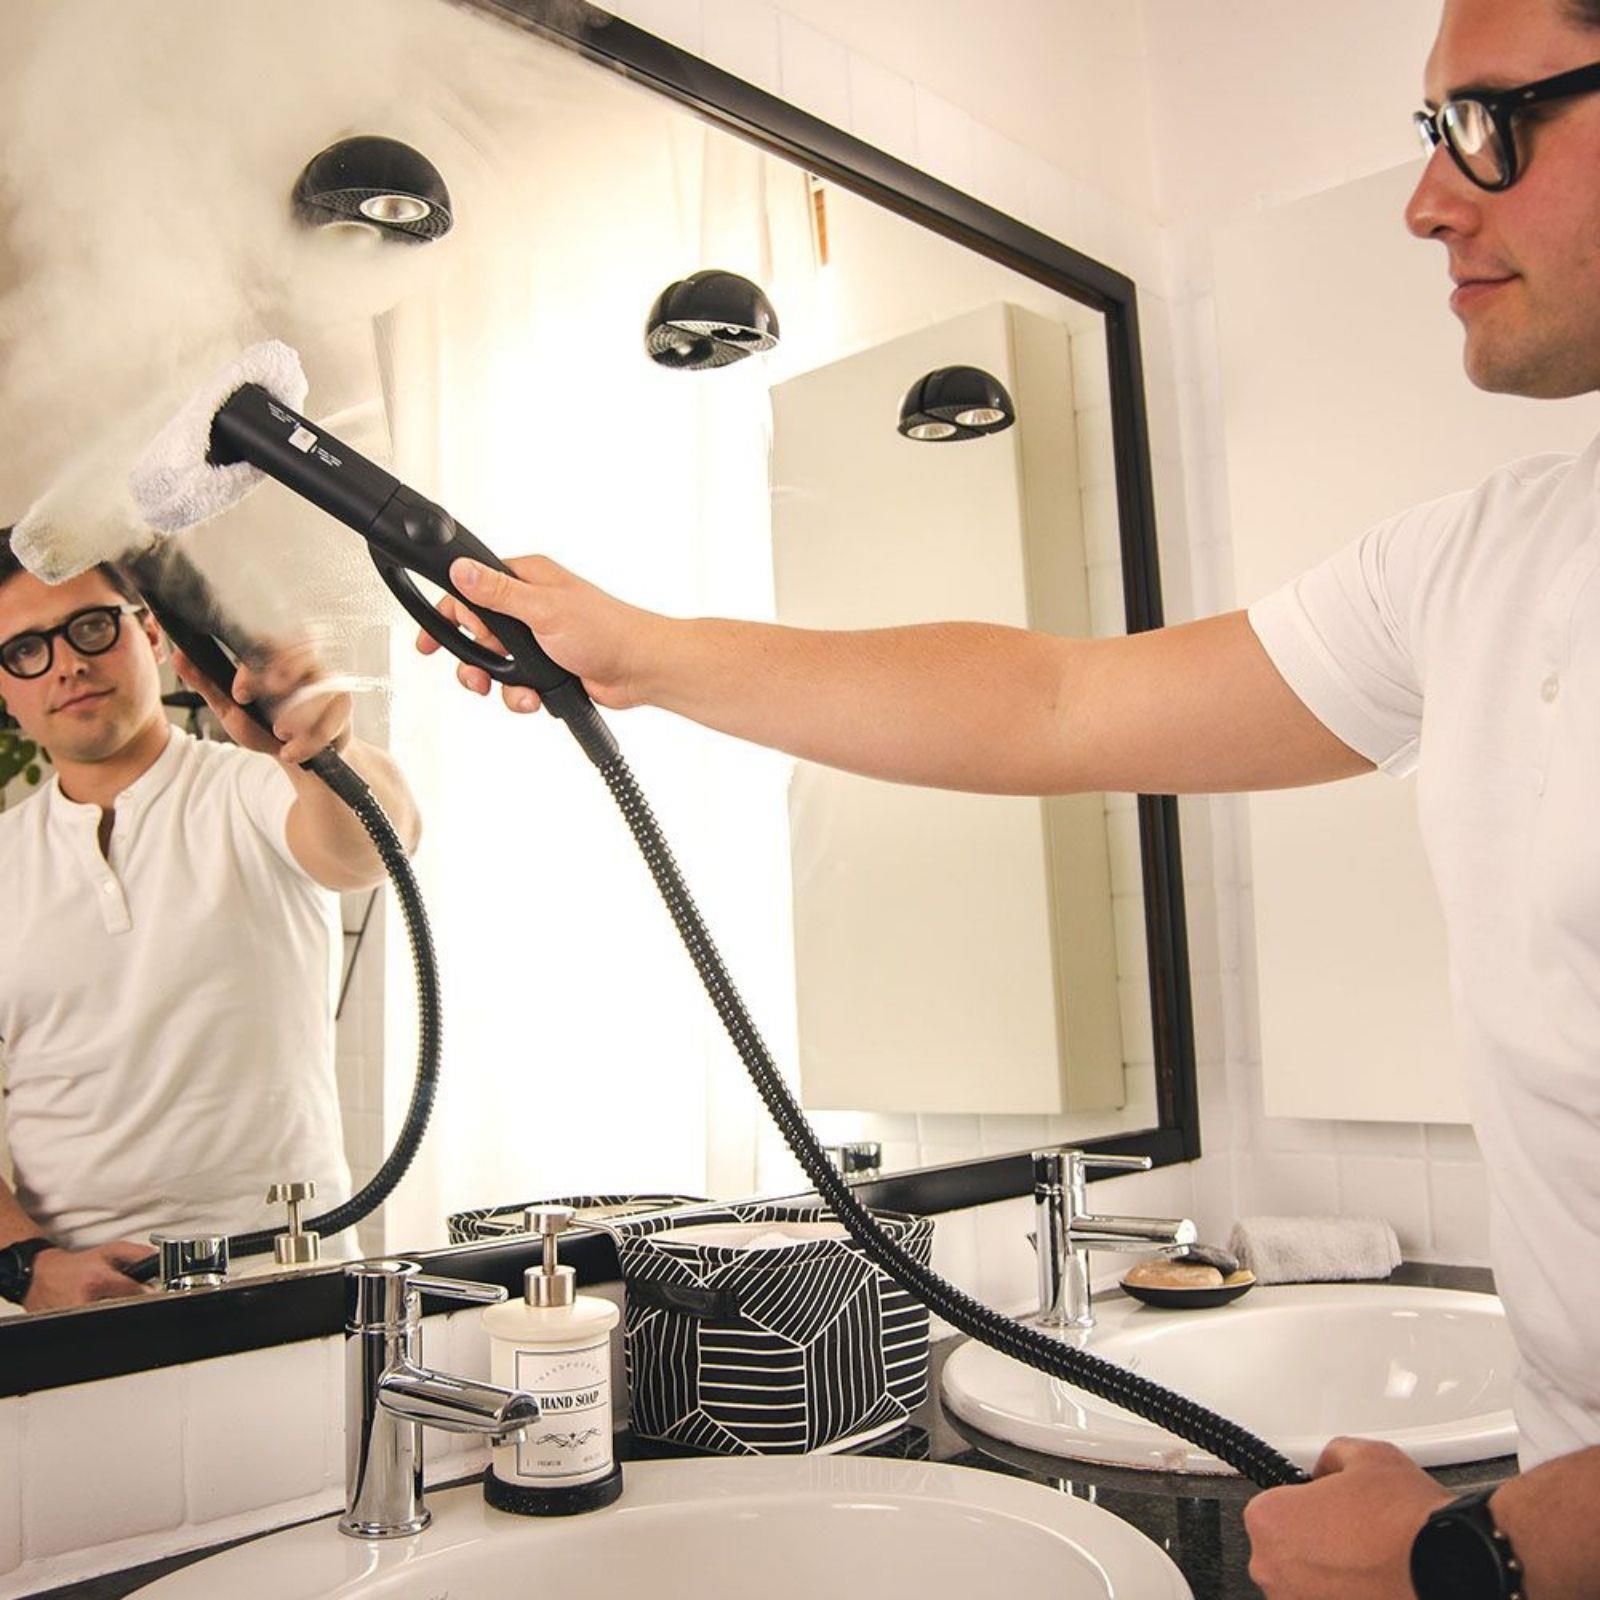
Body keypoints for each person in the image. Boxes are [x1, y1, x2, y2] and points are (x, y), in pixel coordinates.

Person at [410, 0, 1600, 1589]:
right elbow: (1056, 703)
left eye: (1488, 123)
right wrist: (642, 648)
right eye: (1428, 132)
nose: (1428, 200)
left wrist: (1477, 1560)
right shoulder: (1482, 563)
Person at [0, 531, 421, 1312]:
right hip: (78, 1308)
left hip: (289, 1277)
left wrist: (325, 747)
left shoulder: (251, 786)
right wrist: (25, 1266)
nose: (67, 665)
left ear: (151, 634)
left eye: (91, 626)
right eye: (25, 650)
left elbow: (373, 848)